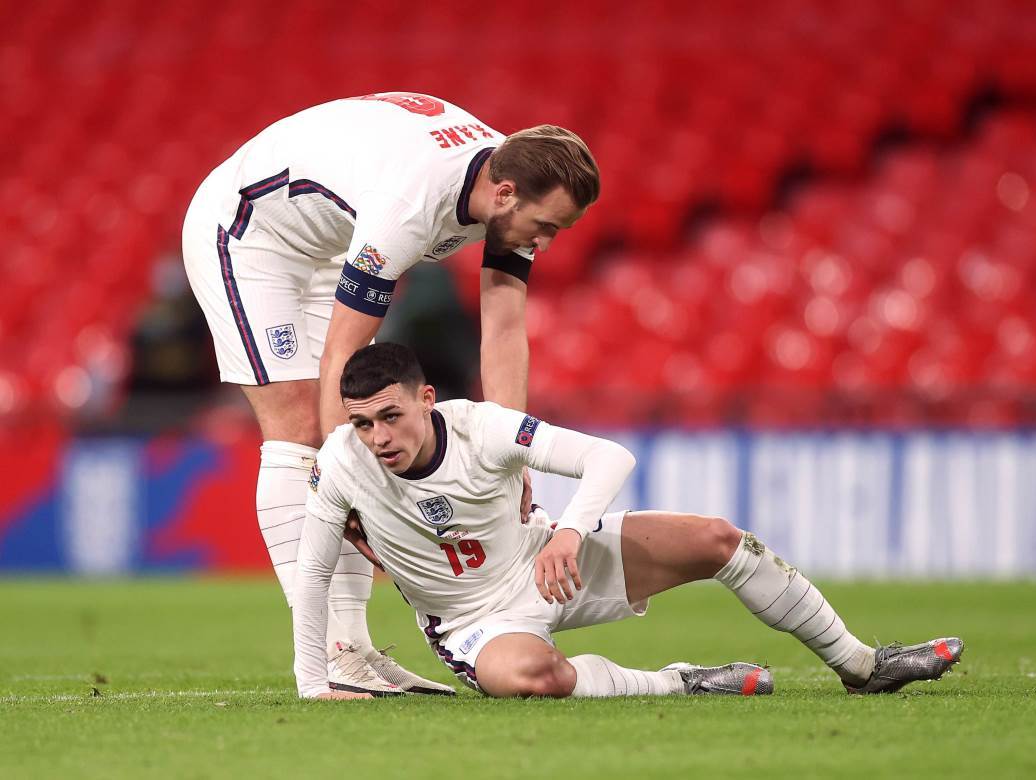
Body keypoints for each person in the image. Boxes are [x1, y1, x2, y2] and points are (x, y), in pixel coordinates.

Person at [182, 92, 599, 695]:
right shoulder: (412, 205)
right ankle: (331, 654)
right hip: (249, 235)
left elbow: (504, 324)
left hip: (325, 234)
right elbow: (342, 360)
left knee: (332, 440)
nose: (547, 241)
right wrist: (345, 480)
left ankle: (354, 651)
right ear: (504, 195)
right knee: (301, 430)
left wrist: (508, 454)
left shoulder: (514, 177)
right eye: (546, 227)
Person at [292, 343, 963, 699]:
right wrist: (312, 682)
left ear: (426, 399)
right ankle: (681, 681)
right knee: (534, 679)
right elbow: (313, 568)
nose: (377, 436)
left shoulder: (481, 428)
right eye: (361, 422)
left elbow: (608, 456)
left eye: (390, 416)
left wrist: (566, 532)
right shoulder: (343, 463)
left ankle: (859, 664)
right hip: (471, 622)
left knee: (717, 539)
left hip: (549, 562)